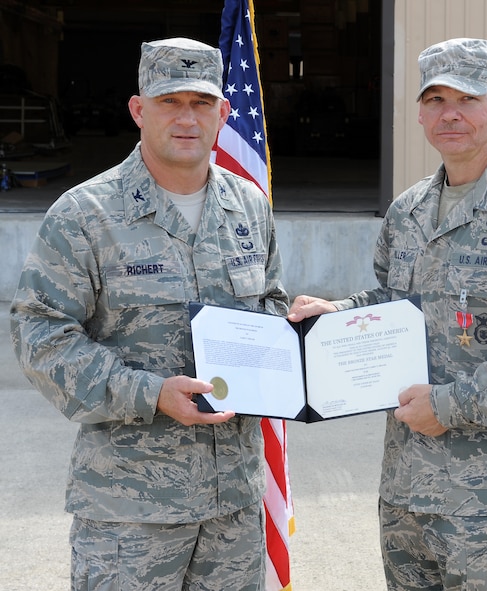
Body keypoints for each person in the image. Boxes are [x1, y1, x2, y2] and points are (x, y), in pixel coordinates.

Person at [288, 38, 487, 590]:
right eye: (434, 99)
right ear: (420, 113)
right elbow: (393, 305)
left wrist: (450, 406)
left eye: (468, 98)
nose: (450, 113)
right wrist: (336, 313)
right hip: (408, 488)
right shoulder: (408, 210)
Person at [9, 37, 288, 589]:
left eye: (202, 103)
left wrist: (299, 335)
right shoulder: (86, 214)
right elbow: (39, 335)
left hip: (233, 503)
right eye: (169, 102)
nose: (187, 118)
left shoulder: (248, 205)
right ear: (139, 110)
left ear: (223, 114)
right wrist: (148, 392)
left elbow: (270, 306)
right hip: (130, 508)